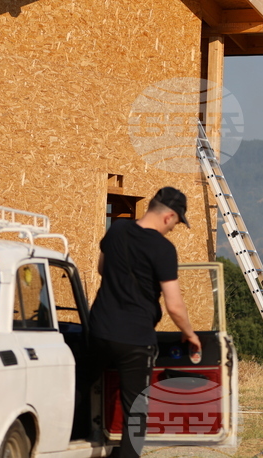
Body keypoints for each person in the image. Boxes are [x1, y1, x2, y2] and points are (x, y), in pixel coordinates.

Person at [89, 187, 201, 458]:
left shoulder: (116, 230)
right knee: (135, 411)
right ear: (168, 216)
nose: (174, 228)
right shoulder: (163, 249)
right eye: (176, 222)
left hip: (98, 330)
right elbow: (174, 305)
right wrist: (190, 334)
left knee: (86, 394)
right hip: (134, 339)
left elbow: (101, 268)